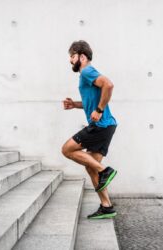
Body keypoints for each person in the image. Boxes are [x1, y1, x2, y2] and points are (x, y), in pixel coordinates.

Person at [61, 40, 118, 219]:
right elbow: (90, 101)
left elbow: (108, 85)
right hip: (107, 126)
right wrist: (75, 105)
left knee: (67, 149)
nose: (70, 60)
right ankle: (107, 206)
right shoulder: (86, 75)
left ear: (82, 56)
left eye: (72, 56)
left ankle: (105, 171)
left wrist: (99, 110)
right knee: (90, 167)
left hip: (101, 126)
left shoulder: (86, 71)